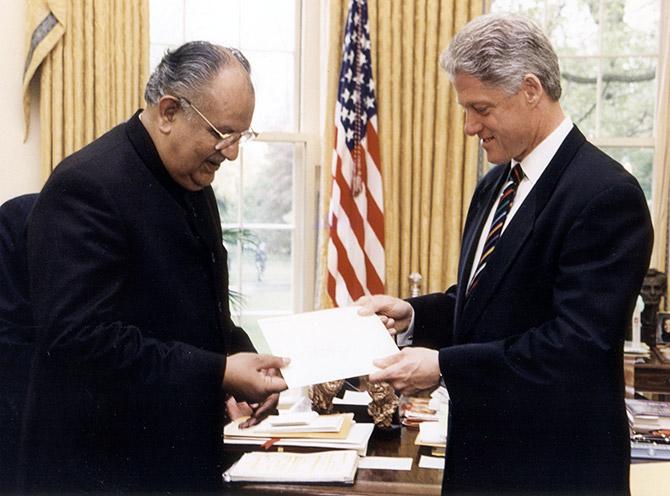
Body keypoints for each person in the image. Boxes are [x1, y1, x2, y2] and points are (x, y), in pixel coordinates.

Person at [358, 13, 653, 495]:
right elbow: (487, 304)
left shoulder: (605, 194)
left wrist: (444, 366)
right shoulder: (495, 184)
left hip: (556, 471)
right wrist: (413, 315)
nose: (470, 126)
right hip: (480, 463)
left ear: (531, 89)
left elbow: (574, 346)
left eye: (481, 108)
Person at [19, 42, 288, 492]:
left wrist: (245, 364)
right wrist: (218, 372)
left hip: (174, 457)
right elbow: (79, 340)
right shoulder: (87, 186)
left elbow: (199, 309)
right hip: (99, 469)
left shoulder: (191, 181)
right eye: (222, 133)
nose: (232, 152)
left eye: (241, 135)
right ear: (167, 112)